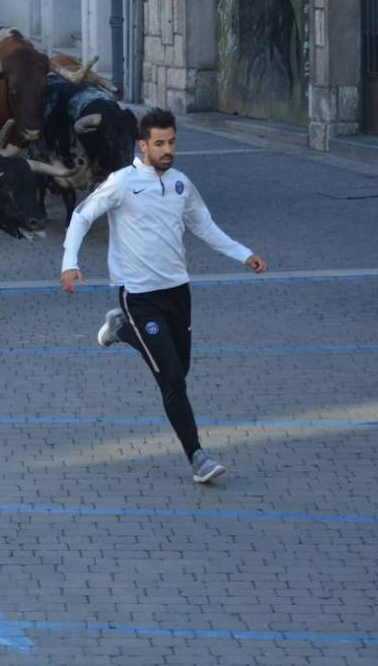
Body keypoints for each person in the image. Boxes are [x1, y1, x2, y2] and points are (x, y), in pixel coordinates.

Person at [60, 108, 268, 484]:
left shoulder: (180, 185)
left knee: (180, 368)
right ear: (143, 145)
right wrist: (69, 263)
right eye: (159, 143)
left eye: (171, 142)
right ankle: (198, 458)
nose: (167, 149)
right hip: (137, 295)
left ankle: (121, 331)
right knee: (172, 379)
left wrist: (243, 253)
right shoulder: (123, 182)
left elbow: (204, 225)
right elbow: (83, 215)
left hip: (177, 292)